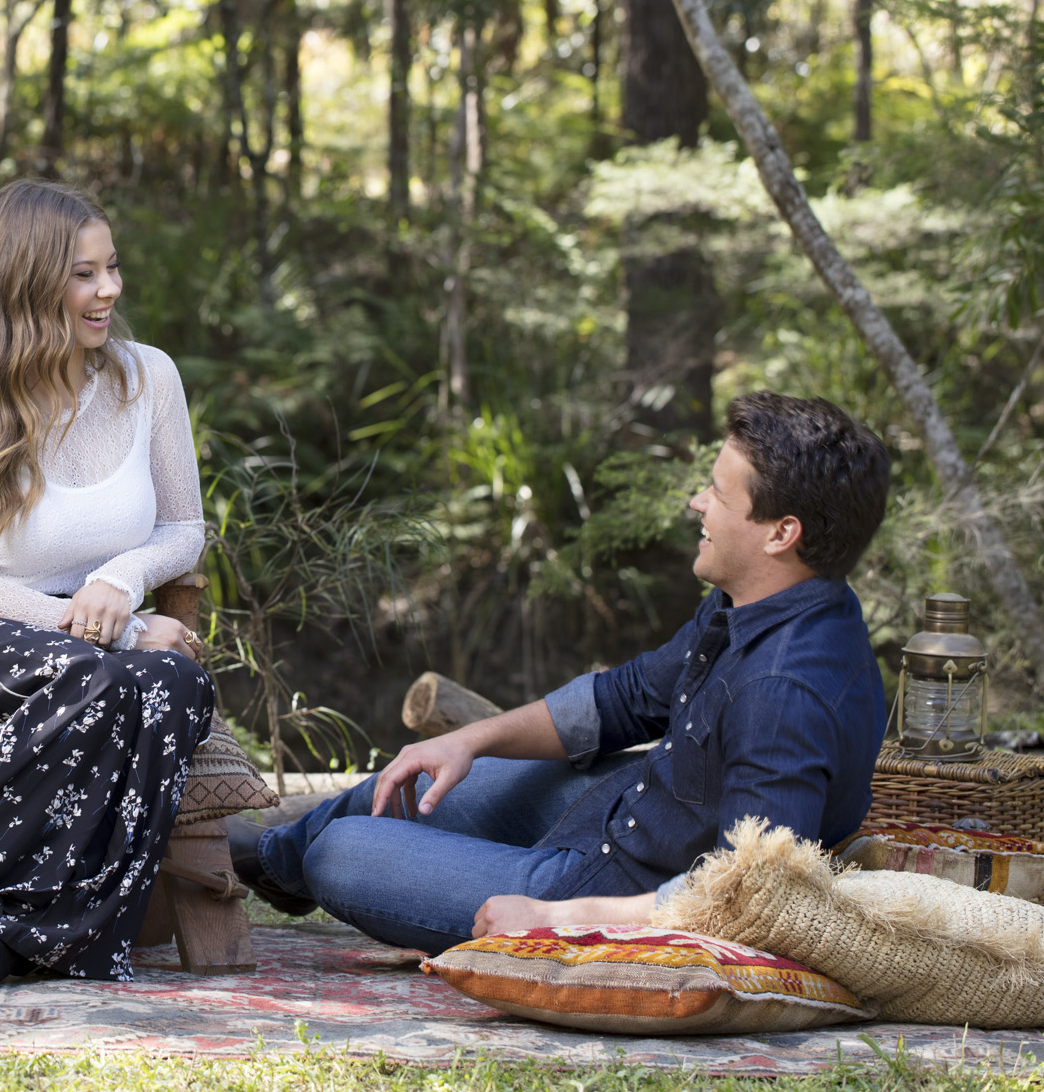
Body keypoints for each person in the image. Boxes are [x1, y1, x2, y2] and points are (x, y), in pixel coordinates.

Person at [228, 392, 893, 952]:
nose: (697, 503)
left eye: (718, 492)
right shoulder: (754, 599)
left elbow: (750, 895)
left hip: (604, 885)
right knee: (423, 773)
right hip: (621, 807)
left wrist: (555, 920)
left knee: (341, 853)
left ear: (781, 533)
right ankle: (269, 859)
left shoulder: (785, 694)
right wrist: (469, 738)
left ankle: (298, 859)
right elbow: (623, 697)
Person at [0, 179, 215, 990]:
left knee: (178, 682)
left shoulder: (149, 378)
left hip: (83, 633)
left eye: (112, 268)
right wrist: (117, 628)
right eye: (85, 274)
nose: (110, 290)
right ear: (26, 283)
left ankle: (8, 934)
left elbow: (184, 527)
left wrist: (121, 583)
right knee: (104, 673)